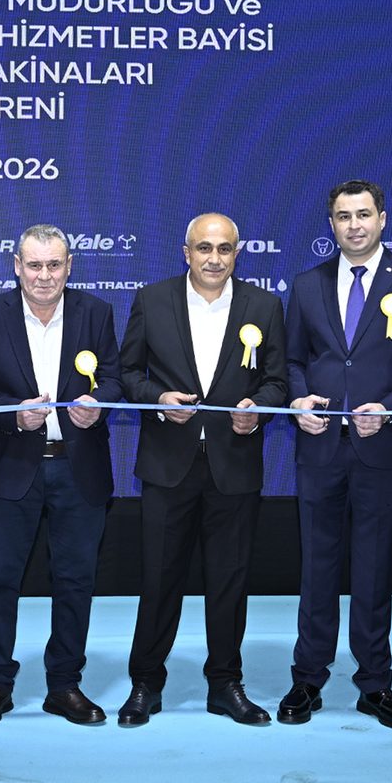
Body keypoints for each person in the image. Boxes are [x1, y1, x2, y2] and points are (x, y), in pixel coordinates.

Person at [281, 180, 392, 731]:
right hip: (320, 446)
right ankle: (307, 678)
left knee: (375, 571)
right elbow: (293, 360)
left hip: (382, 447)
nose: (353, 225)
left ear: (383, 219)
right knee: (317, 566)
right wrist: (298, 395)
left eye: (363, 215)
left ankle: (375, 685)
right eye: (342, 216)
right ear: (330, 224)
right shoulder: (306, 284)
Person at [115, 212, 288, 727]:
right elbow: (125, 374)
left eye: (225, 249)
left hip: (233, 467)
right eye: (204, 248)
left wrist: (257, 409)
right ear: (186, 251)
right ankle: (145, 683)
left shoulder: (265, 305)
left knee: (230, 581)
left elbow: (278, 381)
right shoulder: (152, 299)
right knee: (159, 579)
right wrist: (157, 398)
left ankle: (225, 684)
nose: (215, 258)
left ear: (238, 253)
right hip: (169, 464)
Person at [0, 224, 123, 726]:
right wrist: (13, 413)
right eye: (34, 265)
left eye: (54, 265)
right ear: (16, 265)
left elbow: (116, 375)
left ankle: (65, 685)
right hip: (14, 468)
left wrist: (99, 404)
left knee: (75, 579)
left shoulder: (95, 313)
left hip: (79, 469)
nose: (43, 275)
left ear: (69, 266)